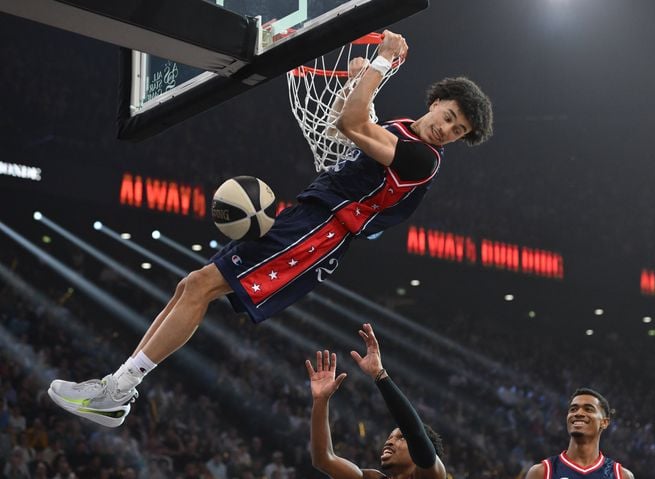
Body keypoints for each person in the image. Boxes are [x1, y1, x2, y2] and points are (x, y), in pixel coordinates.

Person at [47, 30, 494, 427]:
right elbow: (351, 125)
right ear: (436, 101)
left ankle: (117, 391)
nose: (448, 129)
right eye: (450, 115)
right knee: (192, 284)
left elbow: (351, 123)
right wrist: (357, 80)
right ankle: (115, 389)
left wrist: (380, 62)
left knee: (201, 286)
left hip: (321, 231)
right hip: (308, 215)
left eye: (459, 130)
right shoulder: (402, 132)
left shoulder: (423, 159)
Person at [306, 323, 446, 479]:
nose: (390, 441)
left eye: (401, 437)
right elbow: (324, 459)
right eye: (390, 437)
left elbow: (416, 434)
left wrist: (379, 374)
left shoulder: (433, 475)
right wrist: (320, 400)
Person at [525, 388, 634, 479]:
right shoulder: (541, 472)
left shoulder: (621, 475)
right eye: (573, 409)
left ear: (604, 422)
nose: (578, 413)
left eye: (588, 409)